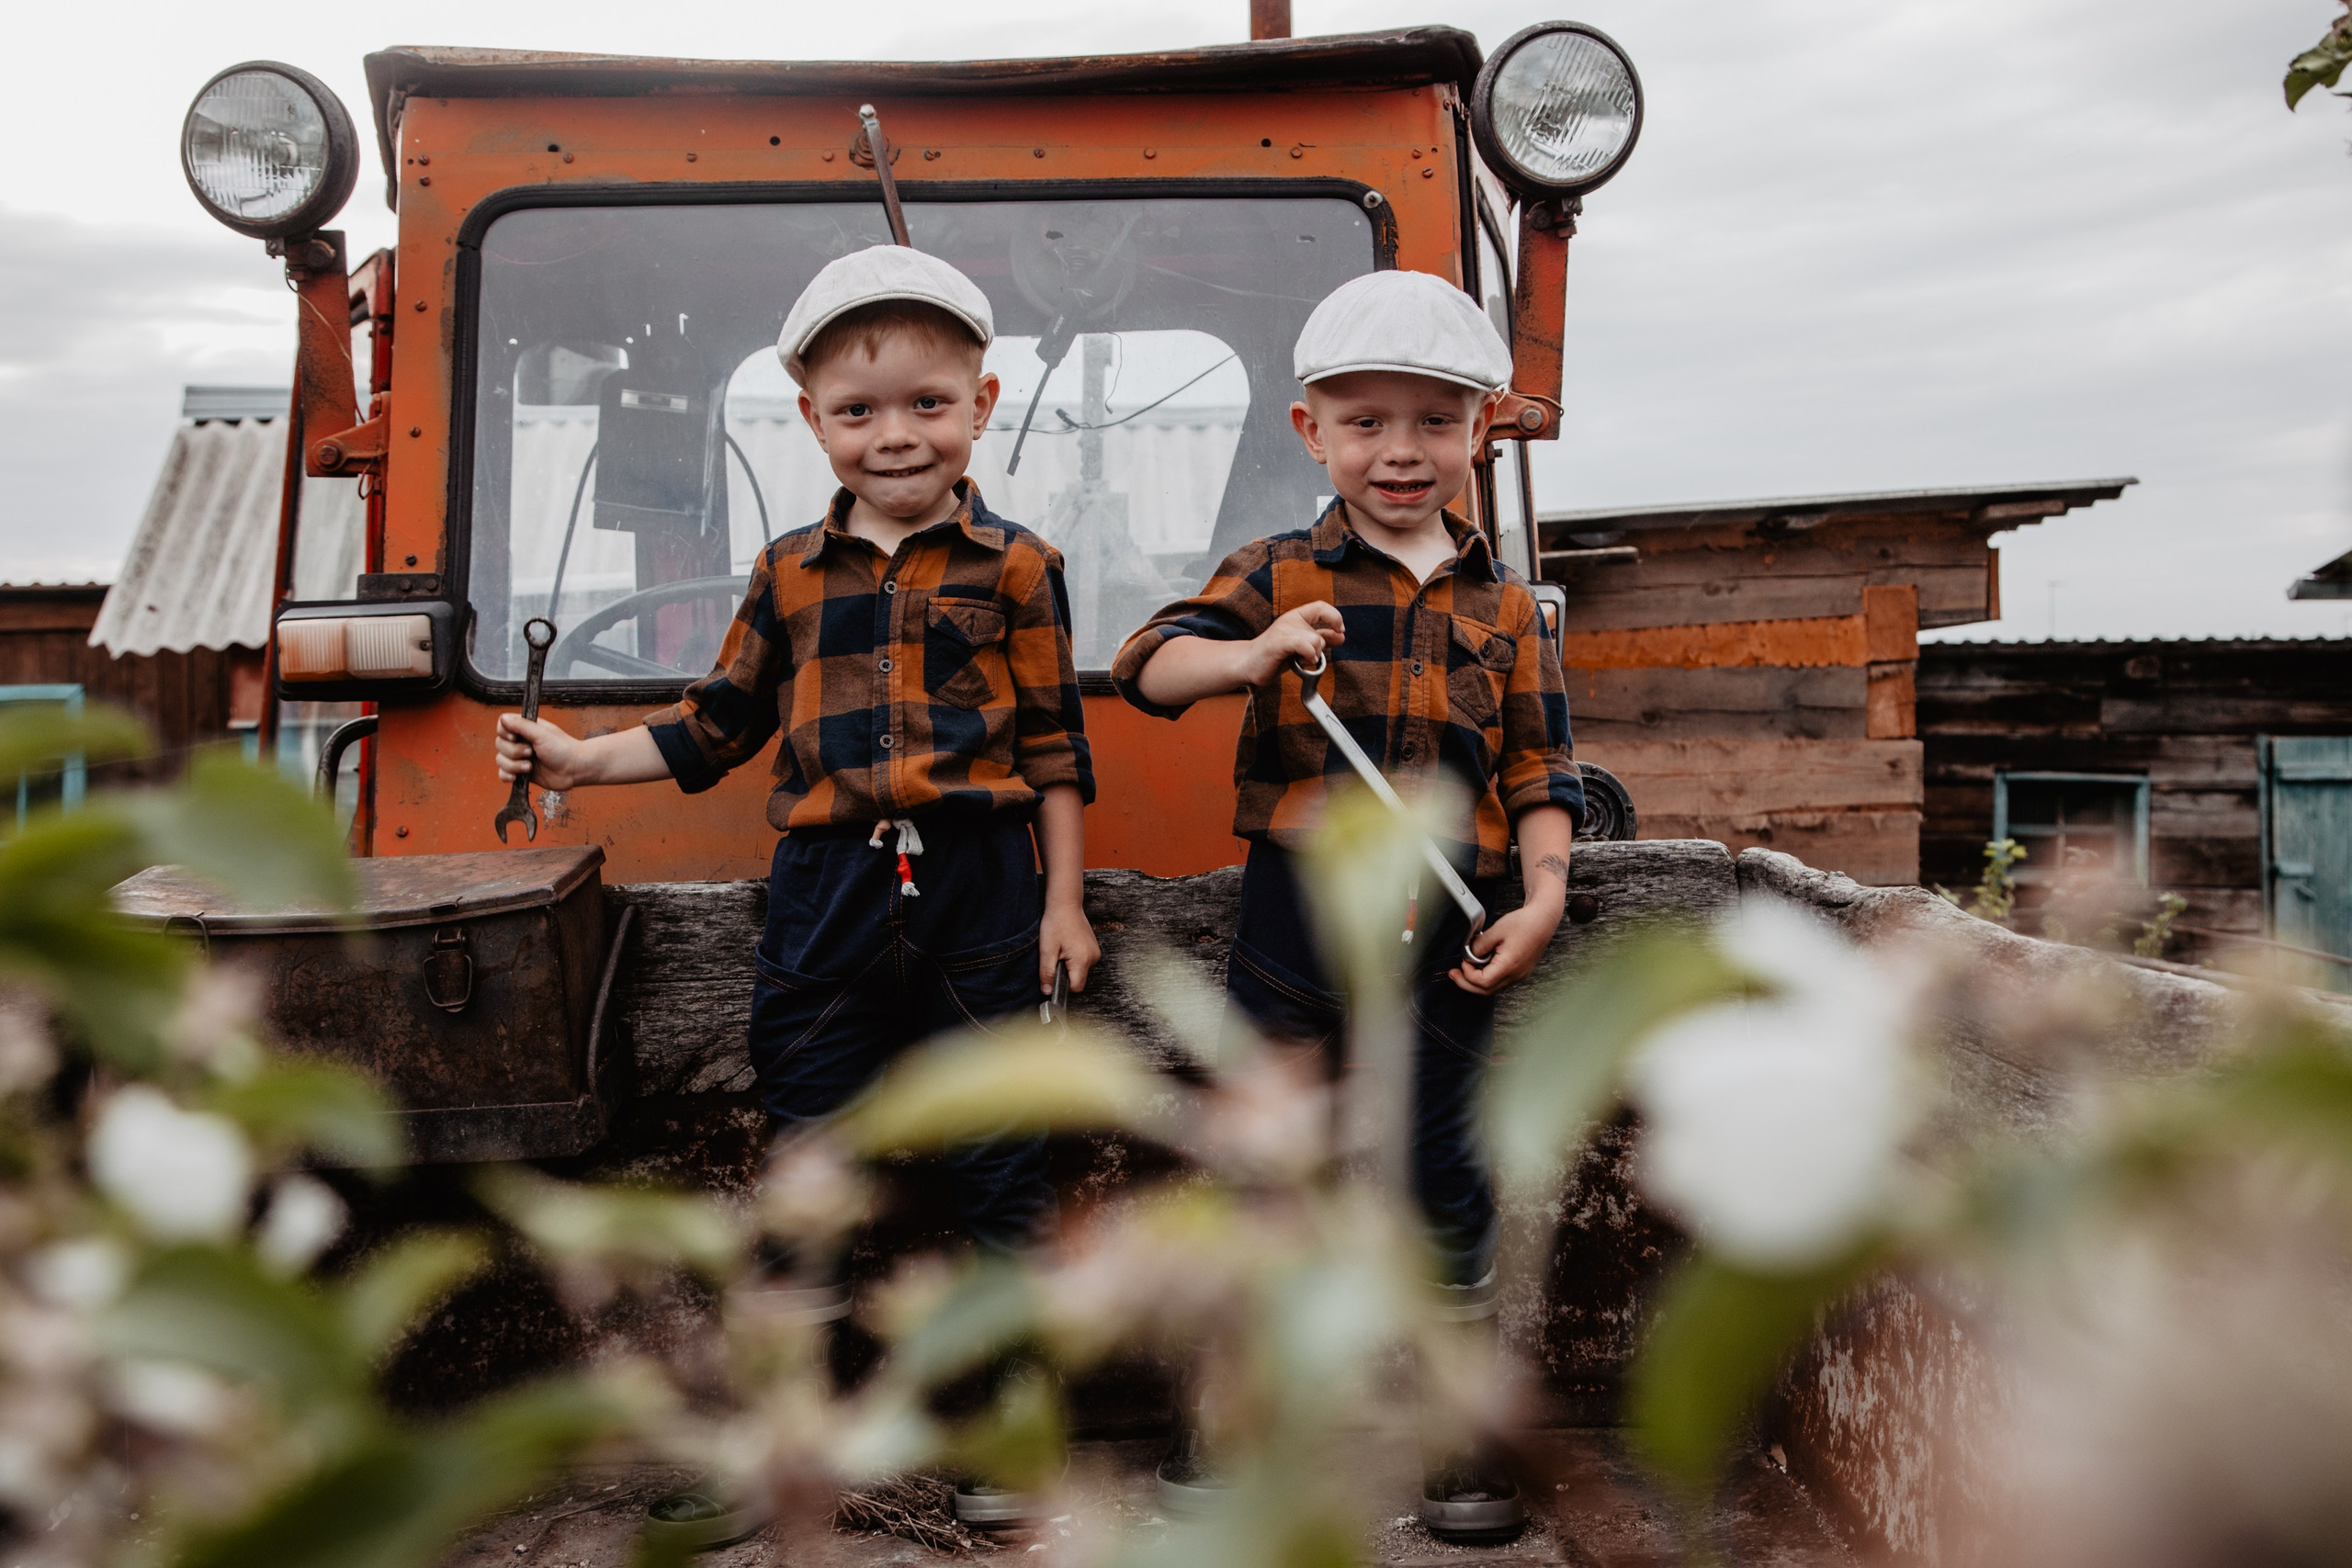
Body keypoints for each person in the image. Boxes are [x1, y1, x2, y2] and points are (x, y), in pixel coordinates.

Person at [493, 243, 1100, 1543]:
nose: (897, 436)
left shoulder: (1019, 569)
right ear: (812, 417)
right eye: (860, 411)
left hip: (984, 896)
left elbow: (1055, 749)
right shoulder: (784, 573)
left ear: (981, 405)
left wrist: (1065, 905)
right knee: (806, 1175)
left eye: (929, 404)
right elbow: (713, 728)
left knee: (1002, 1168)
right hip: (825, 897)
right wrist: (581, 758)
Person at [1110, 268, 1582, 1540]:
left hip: (1457, 932)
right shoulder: (1273, 574)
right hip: (1297, 922)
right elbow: (1148, 667)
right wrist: (1250, 656)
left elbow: (1544, 774)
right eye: (1365, 421)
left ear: (1480, 427)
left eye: (1434, 420)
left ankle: (1455, 1433)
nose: (1401, 451)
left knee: (1447, 1178)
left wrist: (1541, 896)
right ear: (1309, 429)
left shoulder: (1511, 610)